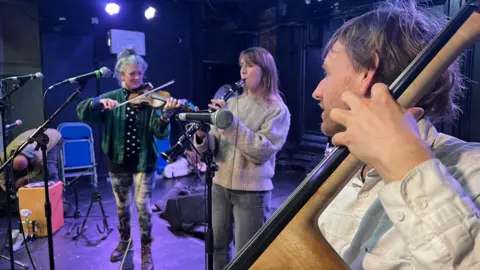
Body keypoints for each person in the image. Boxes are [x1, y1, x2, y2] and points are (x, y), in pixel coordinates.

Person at [313, 1, 480, 269]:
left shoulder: (474, 171)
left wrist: (404, 162)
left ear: (366, 73)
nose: (317, 91)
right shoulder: (339, 169)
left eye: (327, 72)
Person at [76, 48, 180, 270]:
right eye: (132, 74)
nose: (137, 78)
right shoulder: (111, 99)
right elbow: (81, 110)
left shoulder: (150, 98)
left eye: (140, 74)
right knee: (122, 208)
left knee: (143, 207)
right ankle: (125, 240)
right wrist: (97, 104)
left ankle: (146, 249)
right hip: (118, 163)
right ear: (121, 75)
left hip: (144, 163)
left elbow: (158, 132)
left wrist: (166, 115)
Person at [194, 47, 291, 269]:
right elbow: (213, 147)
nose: (243, 71)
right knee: (218, 246)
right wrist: (201, 136)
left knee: (246, 253)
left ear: (265, 70)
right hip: (219, 186)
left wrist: (229, 123)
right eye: (241, 66)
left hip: (251, 193)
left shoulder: (278, 110)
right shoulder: (233, 103)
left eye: (249, 65)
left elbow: (261, 151)